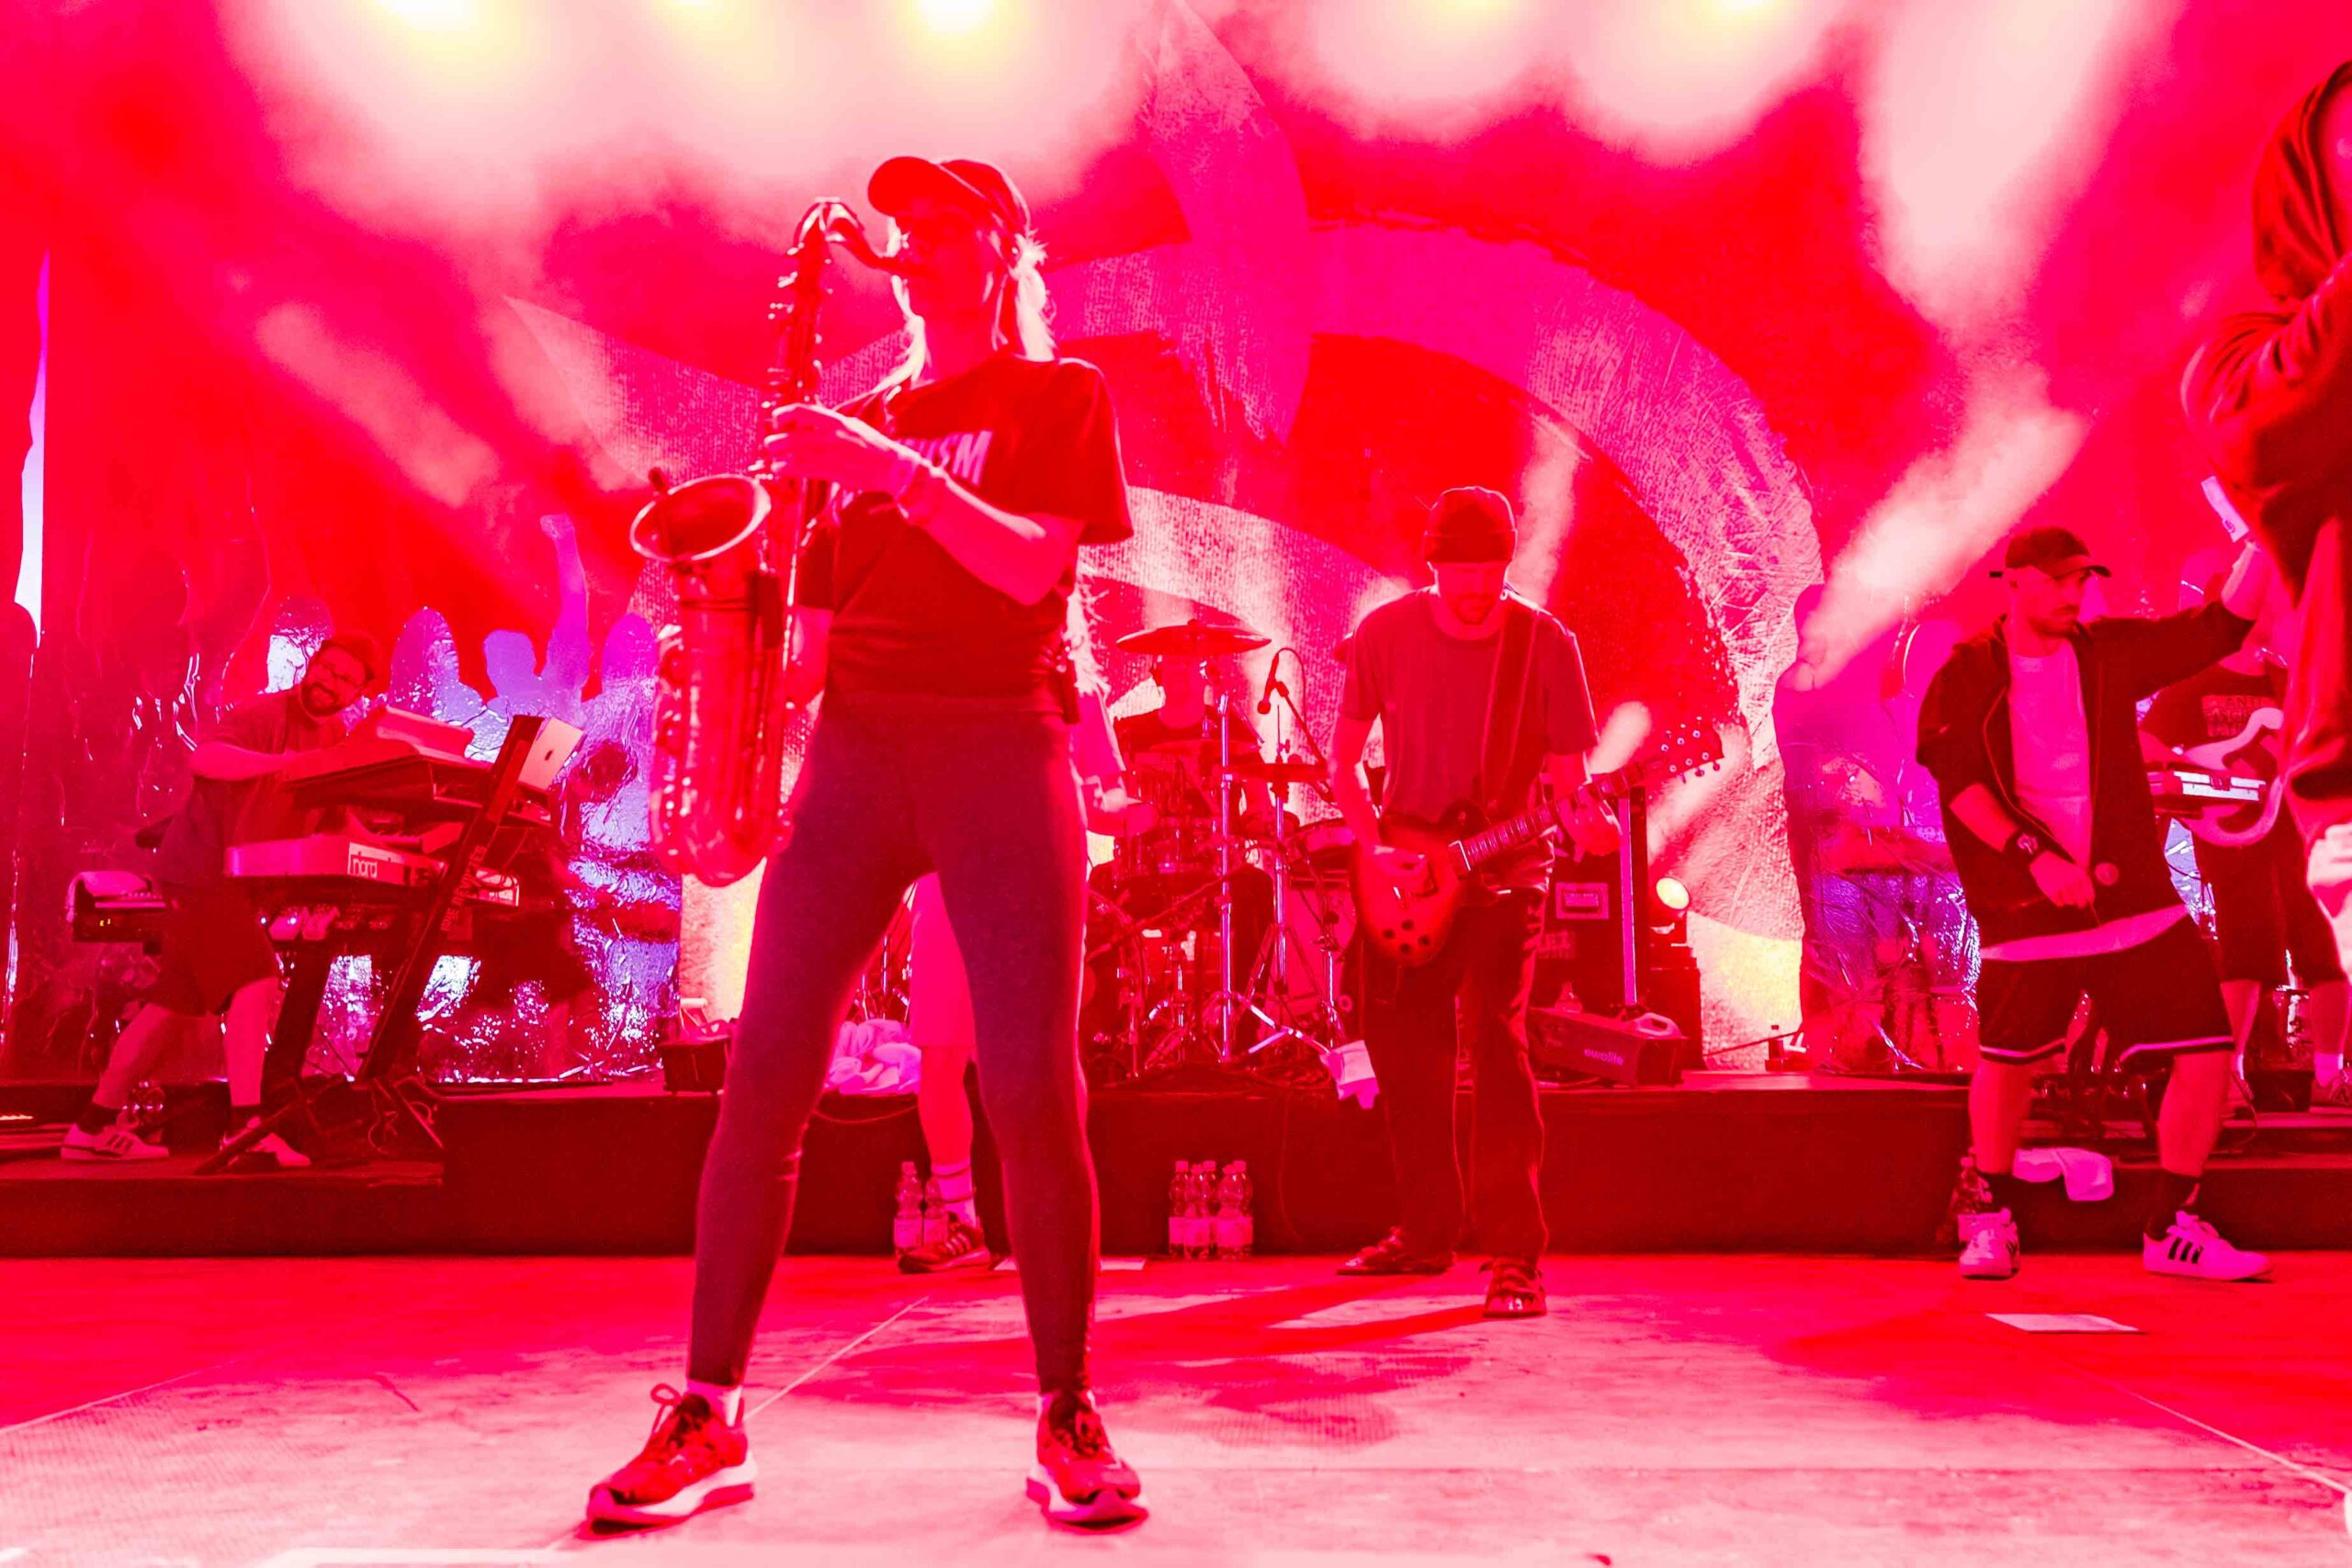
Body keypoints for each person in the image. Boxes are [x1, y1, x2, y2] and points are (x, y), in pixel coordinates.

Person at [587, 156, 1147, 1530]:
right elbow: (813, 644)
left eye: (948, 224)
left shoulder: (1057, 397)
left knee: (1032, 1086)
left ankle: (1068, 1407)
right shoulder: (855, 422)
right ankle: (709, 1410)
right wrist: (739, 700)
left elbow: (1030, 564)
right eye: (908, 228)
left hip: (1000, 742)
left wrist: (885, 467)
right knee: (764, 1079)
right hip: (855, 754)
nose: (917, 243)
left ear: (1004, 252)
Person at [1916, 525, 2273, 1282]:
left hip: (2130, 897)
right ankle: (1991, 1215)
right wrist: (2035, 856)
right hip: (2028, 902)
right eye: (2059, 579)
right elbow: (1962, 785)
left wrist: (2265, 544)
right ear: (2015, 581)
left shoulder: (2107, 651)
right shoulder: (1969, 670)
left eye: (2083, 578)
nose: (2075, 593)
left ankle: (2171, 1225)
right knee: (2009, 1061)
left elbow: (2219, 627)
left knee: (2208, 1048)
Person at [1327, 486, 1615, 1320]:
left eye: (1488, 571)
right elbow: (1343, 763)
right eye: (1459, 572)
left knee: (1497, 1040)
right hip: (1408, 872)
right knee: (1404, 1050)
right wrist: (1371, 844)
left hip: (1506, 872)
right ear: (1431, 566)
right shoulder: (1384, 634)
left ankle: (1516, 1257)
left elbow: (1569, 783)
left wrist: (1589, 823)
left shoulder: (1544, 644)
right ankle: (1425, 1230)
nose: (1474, 587)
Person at [2183, 62, 2352, 1109]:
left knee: (2292, 948)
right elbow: (2281, 416)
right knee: (2249, 937)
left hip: (2288, 824)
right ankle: (2247, 1073)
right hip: (2314, 808)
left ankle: (2324, 1068)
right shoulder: (2238, 363)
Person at [60, 634, 382, 1168]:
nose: (331, 682)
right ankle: (244, 1130)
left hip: (235, 884)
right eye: (328, 668)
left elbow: (337, 817)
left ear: (357, 693)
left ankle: (90, 1128)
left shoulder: (334, 736)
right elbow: (206, 759)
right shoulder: (264, 714)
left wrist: (402, 848)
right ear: (312, 665)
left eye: (346, 679)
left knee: (169, 1010)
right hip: (199, 874)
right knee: (257, 977)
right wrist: (281, 764)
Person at [900, 678, 1146, 1273]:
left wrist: (1122, 809)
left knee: (1047, 1061)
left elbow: (1108, 796)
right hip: (948, 872)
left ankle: (1057, 1223)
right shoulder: (939, 667)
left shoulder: (1076, 679)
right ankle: (962, 1224)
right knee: (940, 1055)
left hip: (1040, 873)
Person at [2140, 591, 2349, 1106]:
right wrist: (2201, 773)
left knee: (2328, 951)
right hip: (2232, 832)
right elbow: (2144, 742)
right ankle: (2228, 1076)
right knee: (2248, 950)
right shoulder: (2194, 681)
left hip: (2296, 831)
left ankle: (2329, 1078)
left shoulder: (2289, 681)